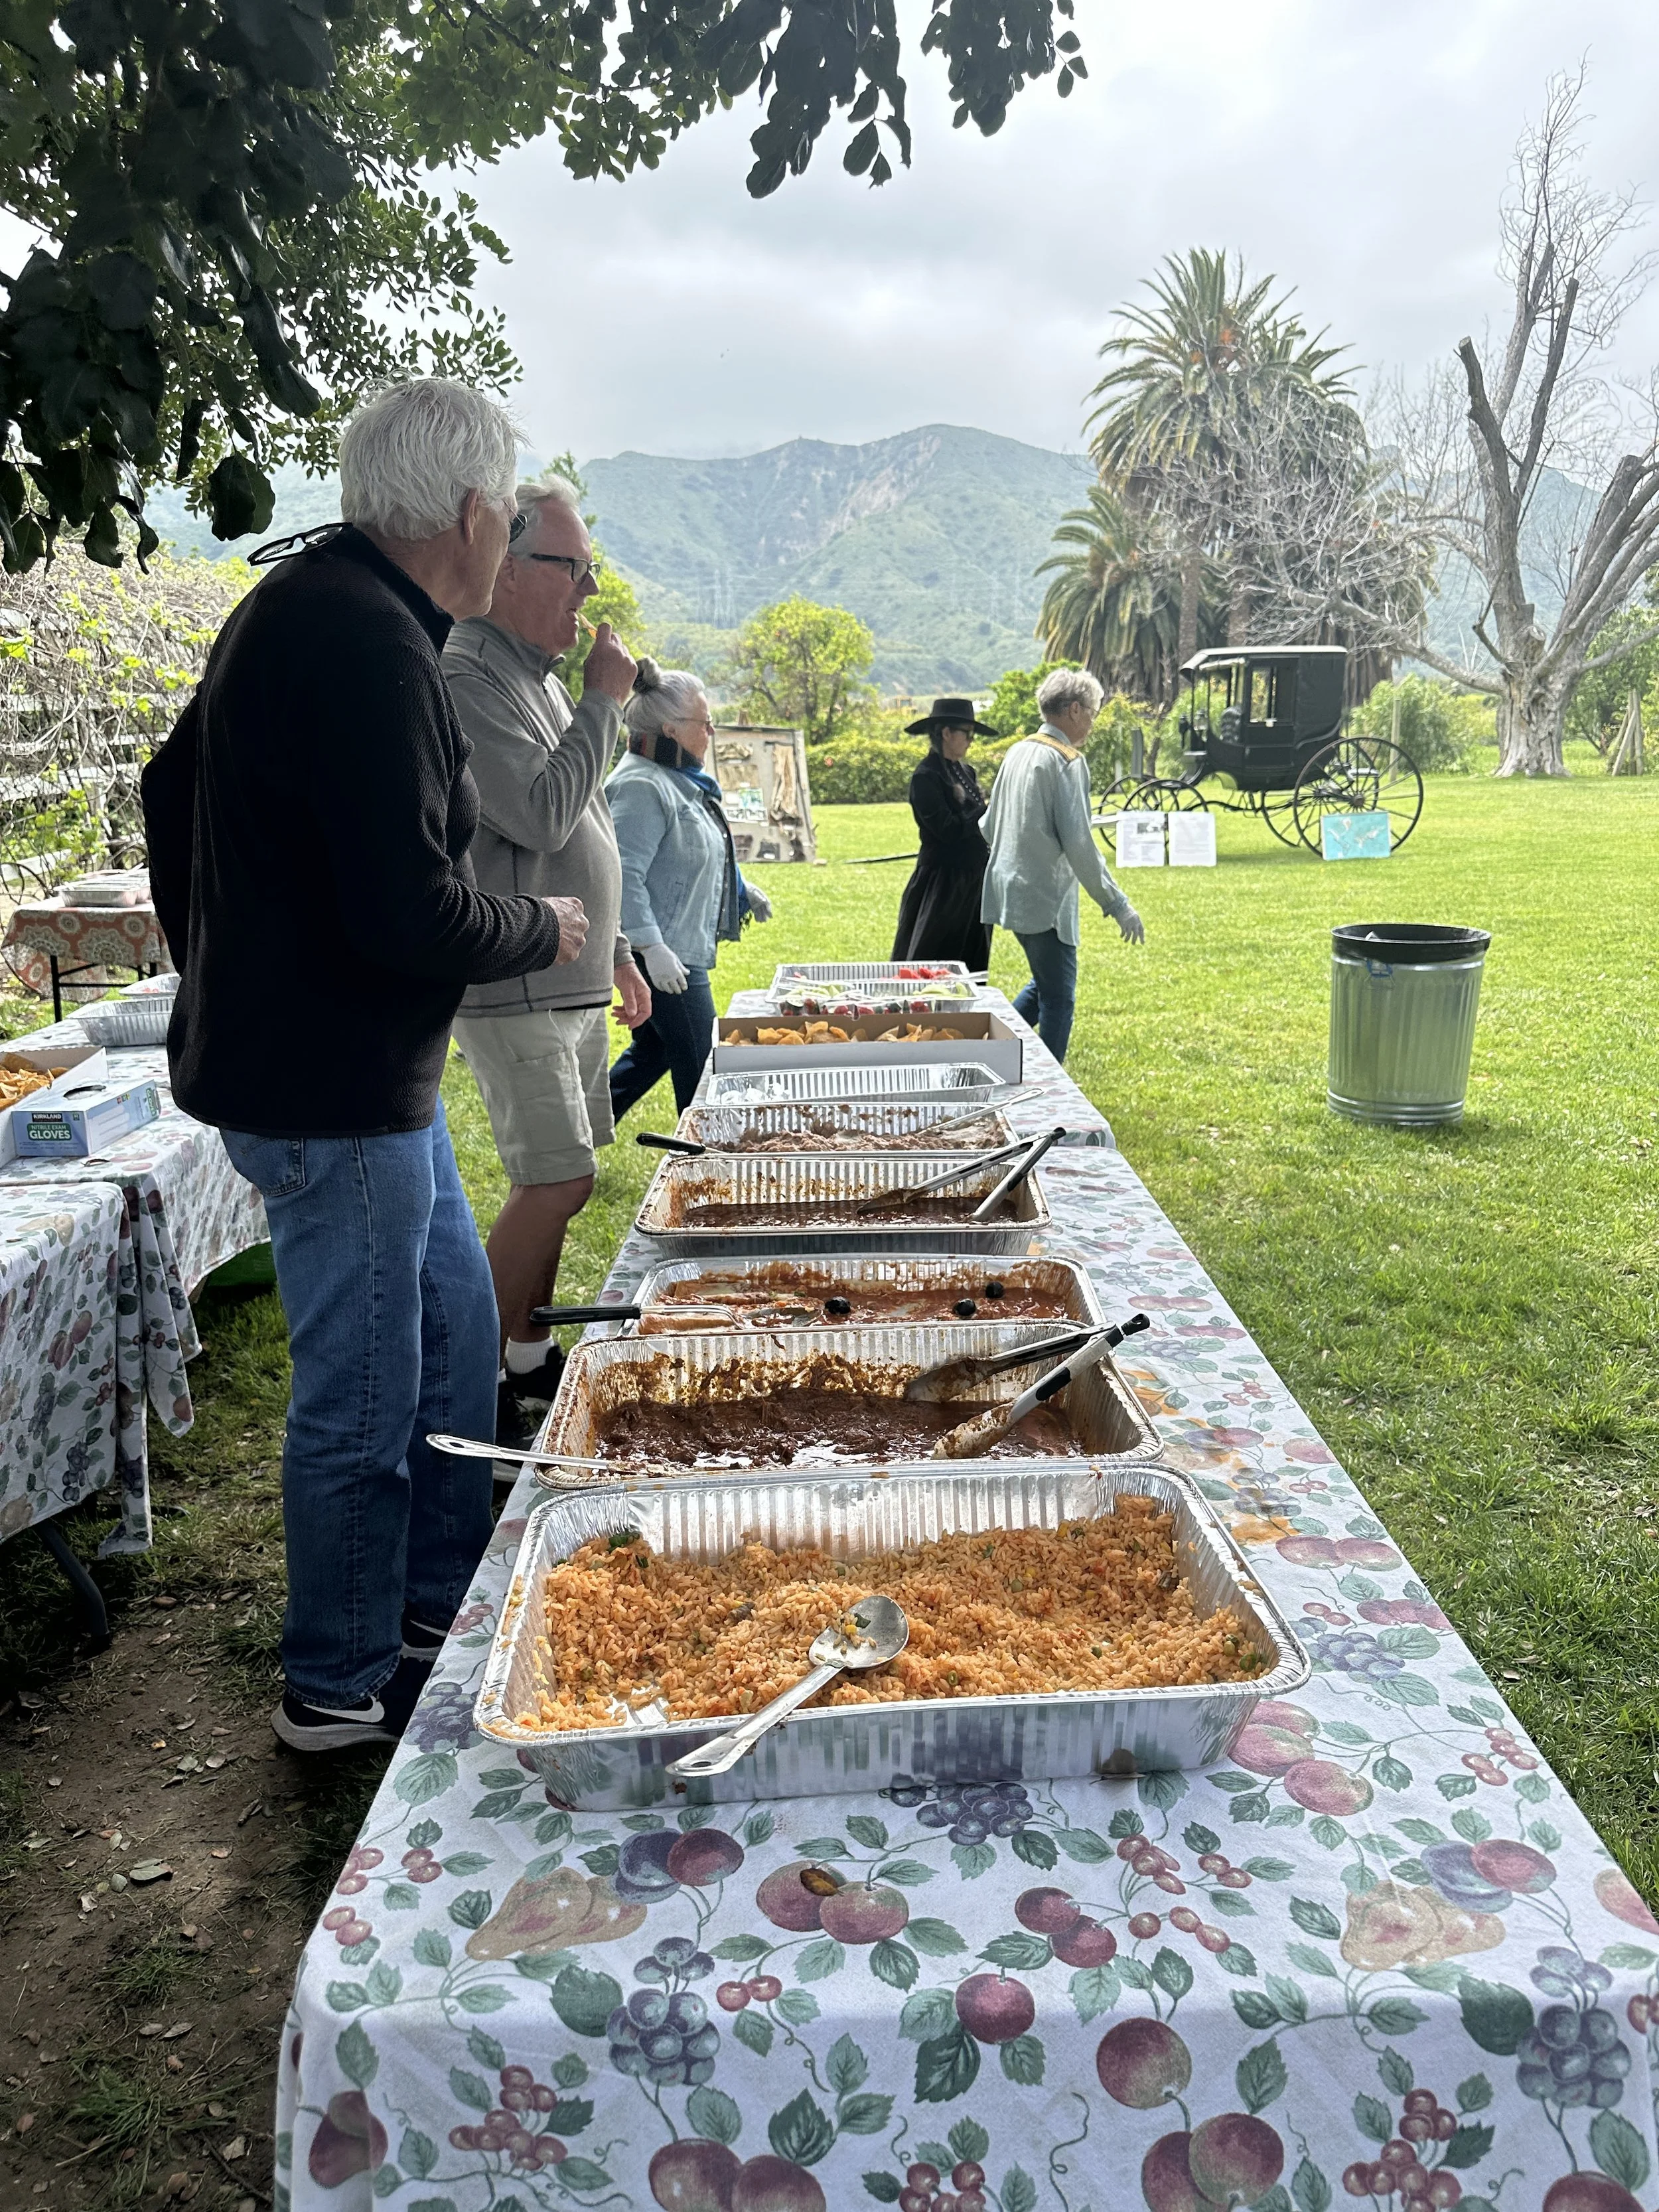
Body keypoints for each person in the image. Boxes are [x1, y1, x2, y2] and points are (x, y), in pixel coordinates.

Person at [142, 378, 586, 1755]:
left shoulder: (324, 605)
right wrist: (547, 922)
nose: (506, 539)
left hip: (356, 1079)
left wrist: (228, 944)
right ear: (465, 513)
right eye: (508, 518)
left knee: (458, 1334)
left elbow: (169, 791)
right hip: (326, 1095)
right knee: (366, 1393)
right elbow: (411, 912)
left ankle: (431, 1611)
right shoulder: (364, 642)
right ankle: (336, 1684)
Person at [443, 479, 646, 1444]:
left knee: (569, 1175)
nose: (587, 588)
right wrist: (606, 705)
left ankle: (525, 1354)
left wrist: (619, 949)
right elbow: (537, 815)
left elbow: (589, 823)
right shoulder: (468, 676)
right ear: (511, 569)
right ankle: (461, 1379)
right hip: (516, 976)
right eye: (573, 568)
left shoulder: (538, 674)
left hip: (568, 974)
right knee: (554, 1180)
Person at [606, 659, 772, 1120]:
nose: (712, 733)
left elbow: (691, 853)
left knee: (655, 1052)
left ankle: (579, 1130)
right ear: (672, 729)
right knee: (703, 1067)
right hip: (661, 952)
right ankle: (701, 1159)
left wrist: (742, 889)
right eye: (706, 723)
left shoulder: (678, 781)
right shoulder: (642, 785)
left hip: (676, 946)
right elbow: (621, 874)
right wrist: (651, 947)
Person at [978, 666, 1145, 1064]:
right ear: (1073, 710)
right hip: (1045, 900)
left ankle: (988, 1054)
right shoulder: (1067, 762)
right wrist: (1118, 904)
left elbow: (987, 825)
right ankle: (1052, 1090)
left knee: (1045, 983)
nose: (1092, 721)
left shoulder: (1019, 750)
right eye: (1092, 711)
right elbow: (1081, 847)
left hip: (1009, 892)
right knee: (1059, 999)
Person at [891, 696, 995, 970]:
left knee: (972, 961)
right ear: (947, 733)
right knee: (934, 960)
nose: (971, 741)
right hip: (943, 885)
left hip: (973, 880)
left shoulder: (966, 772)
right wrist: (987, 811)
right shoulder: (926, 776)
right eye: (967, 734)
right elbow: (947, 830)